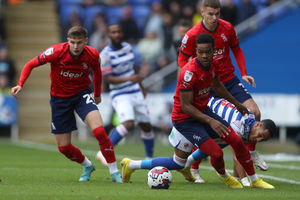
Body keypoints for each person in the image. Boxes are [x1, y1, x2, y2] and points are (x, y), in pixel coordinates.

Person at [121, 33, 274, 189]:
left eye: (208, 51)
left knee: (236, 141)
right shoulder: (188, 73)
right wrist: (211, 121)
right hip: (185, 119)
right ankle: (226, 178)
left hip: (202, 111)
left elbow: (217, 85)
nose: (204, 55)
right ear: (196, 51)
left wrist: (237, 104)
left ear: (214, 51)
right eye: (200, 52)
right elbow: (186, 106)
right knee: (208, 155)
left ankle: (255, 180)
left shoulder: (214, 64)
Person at [11, 26, 122, 183]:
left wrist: (97, 94)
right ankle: (87, 165)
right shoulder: (55, 52)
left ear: (86, 41)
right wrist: (20, 84)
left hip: (81, 95)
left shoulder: (92, 54)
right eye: (72, 43)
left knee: (99, 131)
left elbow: (97, 72)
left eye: (79, 43)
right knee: (63, 147)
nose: (75, 47)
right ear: (67, 41)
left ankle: (114, 172)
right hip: (60, 99)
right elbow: (30, 64)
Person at [177, 0, 264, 174]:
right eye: (210, 14)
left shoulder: (227, 28)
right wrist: (187, 81)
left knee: (254, 113)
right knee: (219, 129)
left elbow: (237, 49)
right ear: (202, 12)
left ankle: (251, 154)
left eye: (217, 14)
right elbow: (182, 59)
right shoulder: (192, 34)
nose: (214, 18)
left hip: (229, 80)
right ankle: (194, 166)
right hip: (207, 85)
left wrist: (244, 72)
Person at [186, 97, 277, 185]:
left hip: (214, 109)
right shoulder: (239, 125)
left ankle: (191, 167)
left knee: (218, 145)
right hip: (205, 108)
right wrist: (245, 183)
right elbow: (237, 156)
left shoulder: (250, 126)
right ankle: (190, 166)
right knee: (212, 146)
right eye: (260, 135)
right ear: (258, 124)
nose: (258, 139)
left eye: (262, 140)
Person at [99, 24, 155, 160]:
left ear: (122, 33)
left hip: (135, 90)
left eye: (118, 31)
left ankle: (149, 159)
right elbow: (108, 79)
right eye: (113, 32)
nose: (116, 34)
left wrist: (141, 87)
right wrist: (130, 78)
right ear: (109, 35)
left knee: (146, 126)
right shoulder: (105, 55)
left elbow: (134, 67)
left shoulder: (128, 48)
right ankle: (104, 153)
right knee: (128, 124)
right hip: (120, 94)